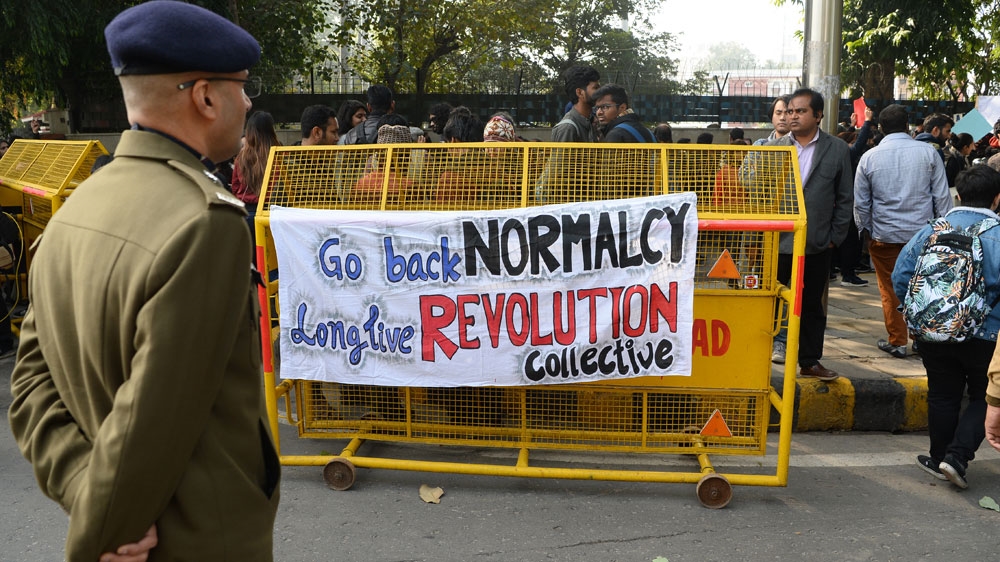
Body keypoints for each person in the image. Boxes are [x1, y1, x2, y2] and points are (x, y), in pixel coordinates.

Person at [7, 2, 280, 561]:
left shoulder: (77, 206)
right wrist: (103, 536)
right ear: (205, 97)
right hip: (194, 538)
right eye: (243, 86)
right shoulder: (206, 222)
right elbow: (150, 422)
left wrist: (82, 489)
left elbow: (31, 384)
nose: (249, 103)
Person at [892, 165, 1000, 488]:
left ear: (959, 195)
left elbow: (901, 275)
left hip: (933, 330)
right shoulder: (996, 235)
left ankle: (939, 457)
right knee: (984, 395)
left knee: (942, 394)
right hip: (986, 333)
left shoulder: (931, 230)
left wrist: (919, 313)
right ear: (997, 198)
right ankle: (957, 457)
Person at [768, 88, 854, 381]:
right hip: (776, 240)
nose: (792, 116)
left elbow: (845, 197)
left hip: (816, 242)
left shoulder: (837, 149)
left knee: (812, 305)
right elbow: (756, 189)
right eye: (790, 111)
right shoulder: (774, 148)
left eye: (800, 111)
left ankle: (809, 361)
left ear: (818, 115)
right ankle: (760, 355)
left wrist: (834, 237)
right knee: (769, 300)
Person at [855, 103, 952, 359]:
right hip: (923, 236)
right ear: (908, 125)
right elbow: (942, 197)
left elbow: (861, 203)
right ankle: (921, 339)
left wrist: (866, 231)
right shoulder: (929, 153)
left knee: (890, 289)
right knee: (924, 287)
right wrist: (943, 232)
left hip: (884, 235)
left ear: (881, 127)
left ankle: (897, 341)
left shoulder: (869, 157)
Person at [232, 110, 281, 241]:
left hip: (245, 215)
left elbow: (235, 188)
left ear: (249, 132)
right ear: (271, 130)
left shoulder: (241, 158)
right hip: (270, 215)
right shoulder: (278, 156)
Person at [551, 65, 600, 142]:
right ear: (580, 93)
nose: (600, 92)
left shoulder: (589, 122)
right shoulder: (567, 128)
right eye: (596, 88)